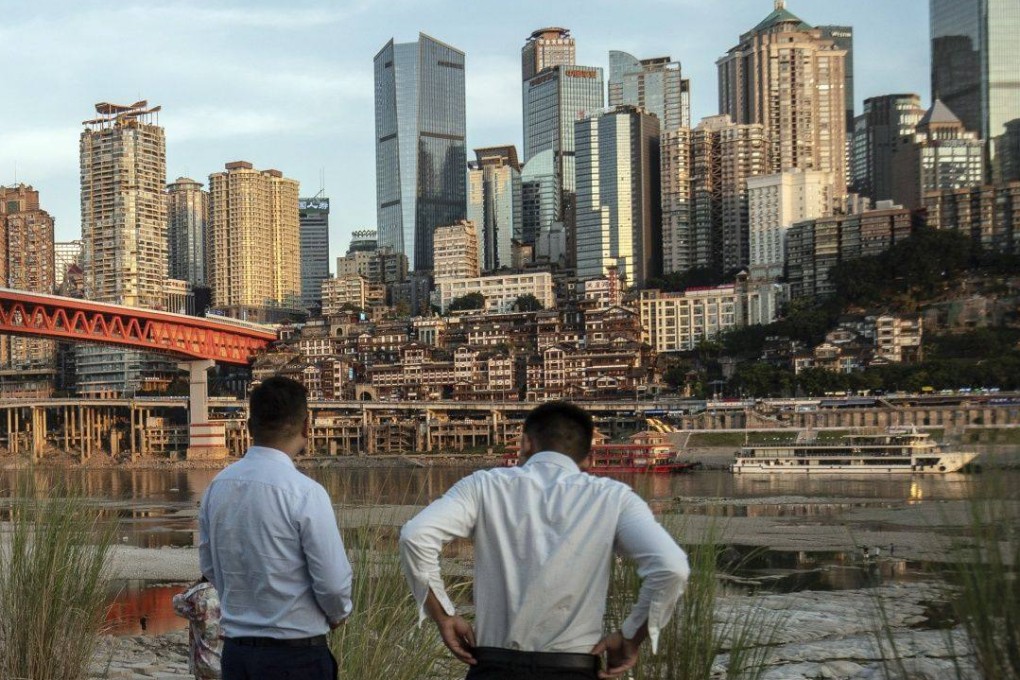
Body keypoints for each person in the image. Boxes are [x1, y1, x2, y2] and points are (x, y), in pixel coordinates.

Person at [400, 401, 689, 680]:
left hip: (494, 667)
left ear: (525, 443)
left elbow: (416, 536)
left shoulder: (484, 485)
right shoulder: (613, 497)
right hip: (573, 668)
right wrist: (631, 635)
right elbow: (671, 568)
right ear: (588, 457)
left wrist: (444, 616)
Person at [199, 376, 353, 680]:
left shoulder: (216, 488)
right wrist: (337, 613)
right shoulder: (306, 493)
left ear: (249, 427)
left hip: (237, 655)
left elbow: (210, 567)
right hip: (296, 657)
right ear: (306, 427)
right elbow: (333, 584)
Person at [172, 577, 223, 679]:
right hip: (231, 659)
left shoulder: (200, 592)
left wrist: (192, 587)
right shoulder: (233, 589)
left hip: (205, 662)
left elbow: (177, 604)